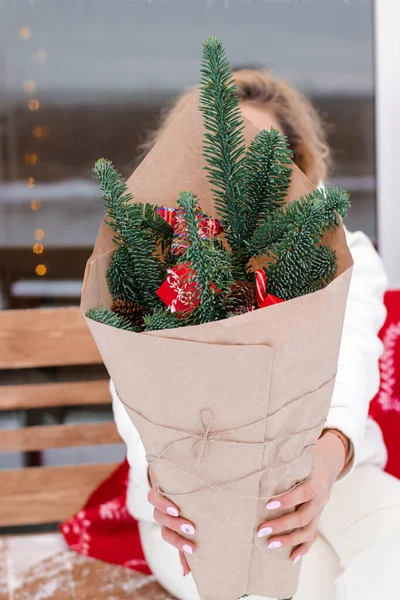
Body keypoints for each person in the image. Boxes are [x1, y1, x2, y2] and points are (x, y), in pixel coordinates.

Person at [111, 69, 400, 600]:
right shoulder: (154, 266)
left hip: (338, 478)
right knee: (299, 589)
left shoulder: (343, 251)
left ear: (294, 167)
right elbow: (134, 383)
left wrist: (327, 458)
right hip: (195, 510)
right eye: (220, 152)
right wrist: (165, 481)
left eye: (257, 156)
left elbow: (353, 354)